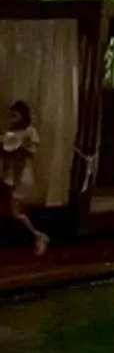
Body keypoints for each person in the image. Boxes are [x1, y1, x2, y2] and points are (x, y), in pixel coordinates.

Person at [1, 101, 49, 256]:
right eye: (11, 115)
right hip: (7, 174)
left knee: (15, 210)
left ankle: (37, 235)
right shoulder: (8, 133)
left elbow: (32, 152)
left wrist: (18, 146)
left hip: (19, 175)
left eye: (15, 114)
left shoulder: (29, 131)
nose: (12, 118)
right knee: (10, 209)